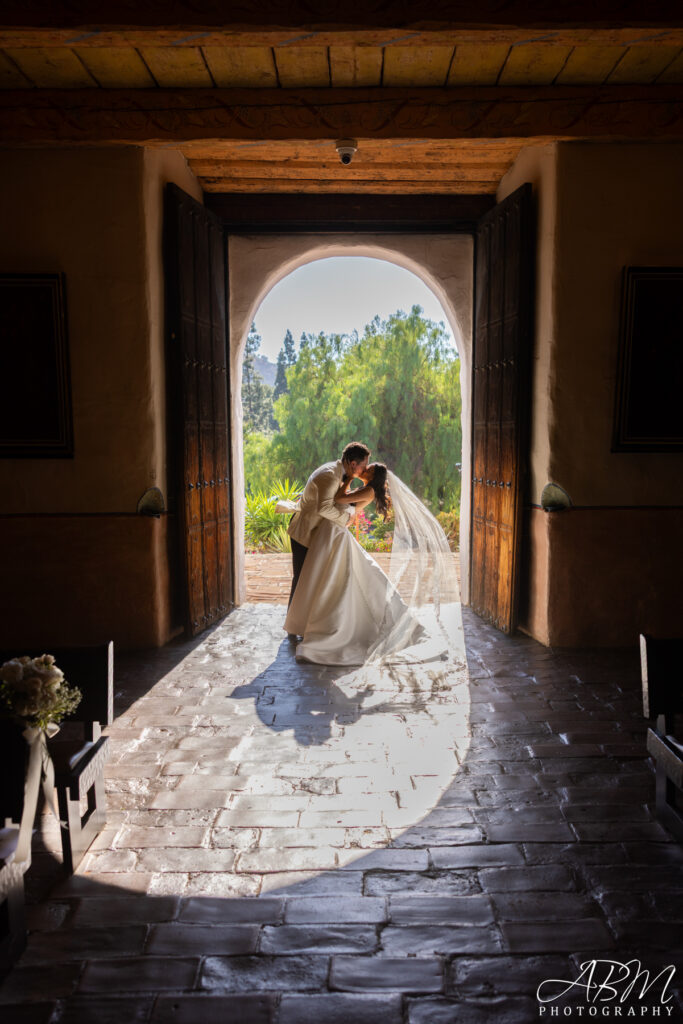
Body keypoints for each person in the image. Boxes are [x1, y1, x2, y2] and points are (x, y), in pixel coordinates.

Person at [284, 461, 432, 666]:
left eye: (367, 470)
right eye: (364, 467)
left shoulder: (368, 491)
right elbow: (345, 507)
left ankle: (326, 625)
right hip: (332, 532)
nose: (363, 471)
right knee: (324, 575)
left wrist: (347, 480)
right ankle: (308, 622)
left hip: (336, 533)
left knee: (336, 577)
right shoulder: (365, 489)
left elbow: (339, 499)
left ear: (372, 475)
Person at [285, 442, 370, 638]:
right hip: (305, 531)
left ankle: (306, 624)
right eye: (363, 466)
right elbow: (324, 508)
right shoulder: (330, 475)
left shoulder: (341, 473)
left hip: (318, 533)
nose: (364, 470)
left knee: (314, 578)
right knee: (301, 578)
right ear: (352, 463)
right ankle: (292, 626)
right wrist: (346, 519)